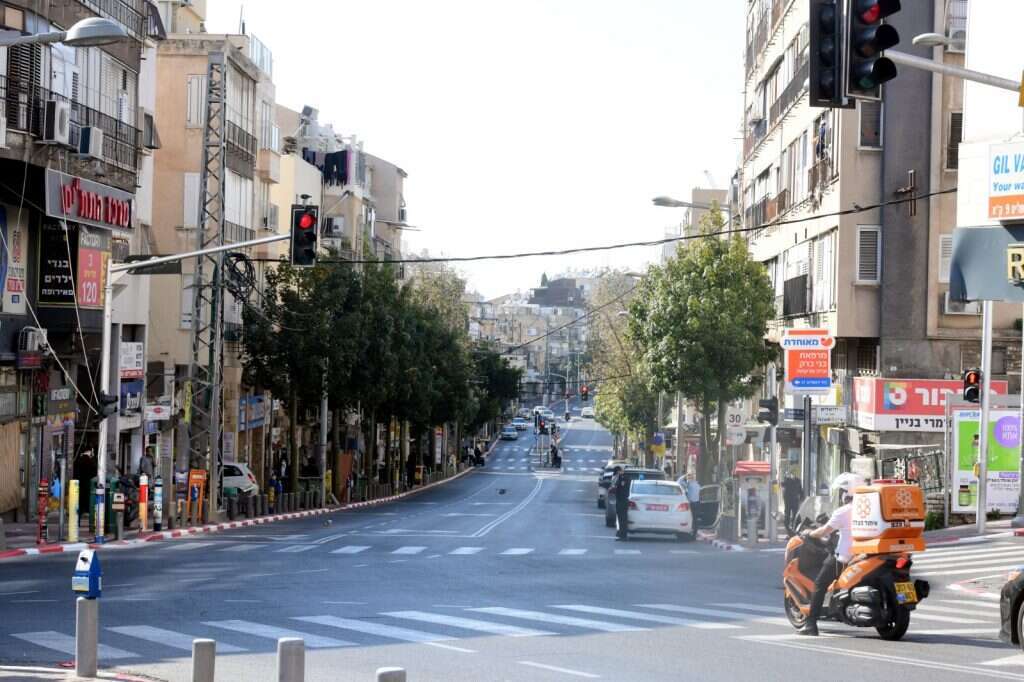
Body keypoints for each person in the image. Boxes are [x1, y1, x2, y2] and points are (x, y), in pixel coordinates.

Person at [800, 473, 859, 636]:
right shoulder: (867, 509)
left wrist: (809, 533)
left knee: (819, 584)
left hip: (845, 557)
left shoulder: (843, 511)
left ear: (844, 493)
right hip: (864, 554)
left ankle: (811, 624)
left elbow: (825, 531)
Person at [613, 470, 631, 541]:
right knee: (621, 519)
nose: (619, 473)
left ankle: (623, 535)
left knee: (623, 519)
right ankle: (621, 534)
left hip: (622, 501)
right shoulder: (622, 478)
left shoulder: (624, 479)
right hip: (620, 501)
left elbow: (617, 487)